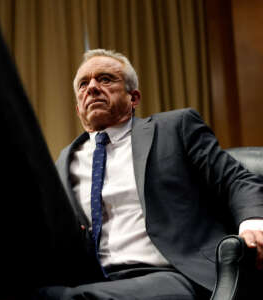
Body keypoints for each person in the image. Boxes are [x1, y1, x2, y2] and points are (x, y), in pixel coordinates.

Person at [36, 49, 263, 299]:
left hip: (174, 274)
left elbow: (236, 180)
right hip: (99, 280)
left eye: (105, 79)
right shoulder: (64, 161)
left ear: (133, 98)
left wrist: (253, 224)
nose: (92, 87)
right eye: (83, 84)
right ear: (78, 109)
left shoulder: (175, 128)